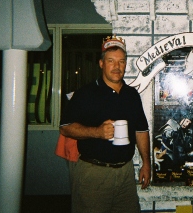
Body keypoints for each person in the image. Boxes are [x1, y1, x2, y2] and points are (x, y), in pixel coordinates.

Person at [59, 35, 151, 213]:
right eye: (111, 61)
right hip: (94, 174)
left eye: (121, 62)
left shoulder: (132, 95)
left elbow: (141, 130)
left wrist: (146, 163)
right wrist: (97, 132)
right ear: (101, 64)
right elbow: (65, 127)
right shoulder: (85, 93)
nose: (117, 67)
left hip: (125, 172)